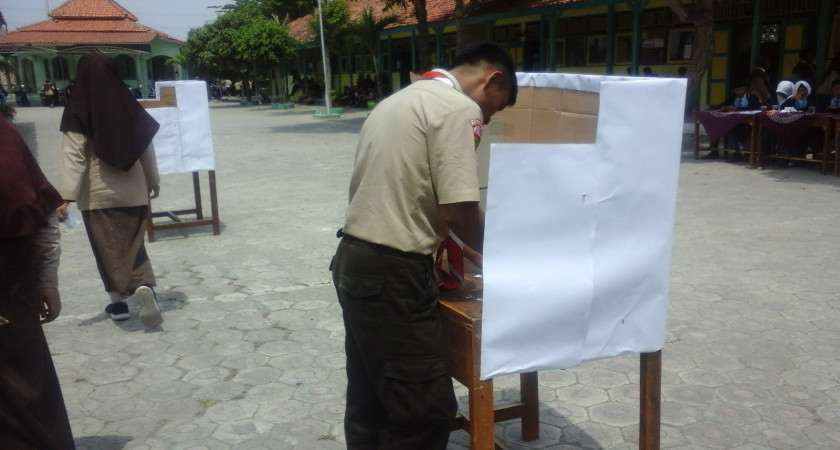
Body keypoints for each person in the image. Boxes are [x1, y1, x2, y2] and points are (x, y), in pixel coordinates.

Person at [330, 42, 517, 449]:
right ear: (493, 79)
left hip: (355, 262)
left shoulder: (399, 100)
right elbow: (458, 210)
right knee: (425, 412)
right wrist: (509, 255)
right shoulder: (458, 108)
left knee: (371, 399)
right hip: (395, 274)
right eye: (495, 107)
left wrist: (472, 250)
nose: (487, 118)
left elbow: (419, 197)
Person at [58, 53, 163, 328]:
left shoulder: (77, 108)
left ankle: (118, 304)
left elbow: (74, 155)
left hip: (98, 194)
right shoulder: (128, 104)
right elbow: (146, 147)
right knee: (133, 246)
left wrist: (66, 195)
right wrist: (153, 181)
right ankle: (144, 287)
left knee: (106, 250)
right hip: (133, 191)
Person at [0, 119, 75, 449]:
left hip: (15, 289)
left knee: (31, 391)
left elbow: (40, 206)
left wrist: (47, 280)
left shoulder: (5, 136)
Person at [704, 82, 760, 160]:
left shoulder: (752, 98)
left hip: (749, 124)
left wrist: (737, 109)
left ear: (745, 89)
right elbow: (721, 106)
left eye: (742, 89)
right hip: (734, 122)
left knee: (732, 129)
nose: (740, 91)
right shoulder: (732, 98)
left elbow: (756, 109)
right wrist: (723, 108)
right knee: (716, 126)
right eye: (737, 90)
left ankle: (736, 153)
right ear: (734, 91)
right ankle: (714, 151)